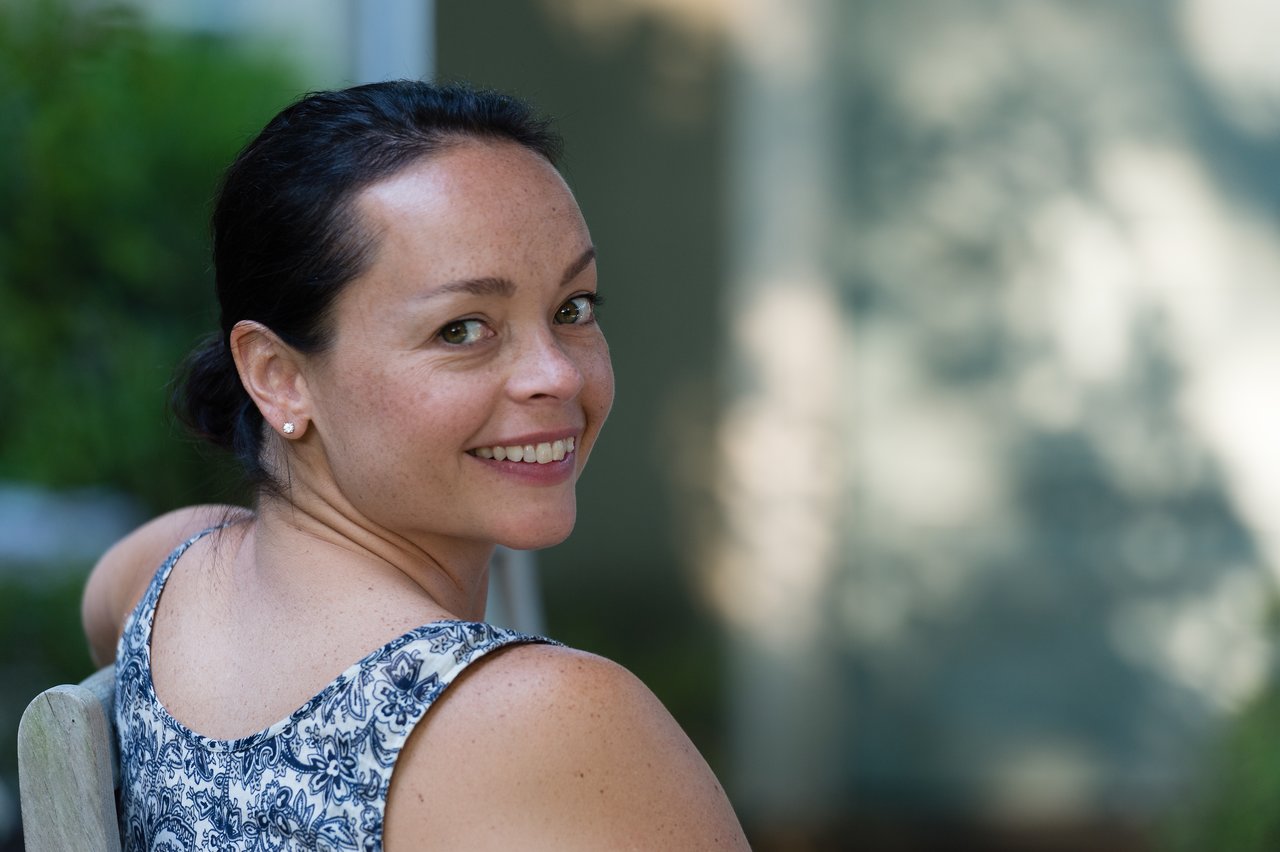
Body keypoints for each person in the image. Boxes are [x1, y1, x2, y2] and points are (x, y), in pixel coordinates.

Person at [81, 80, 750, 850]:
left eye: (573, 308)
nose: (558, 375)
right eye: (462, 329)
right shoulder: (553, 720)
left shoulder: (162, 578)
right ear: (277, 375)